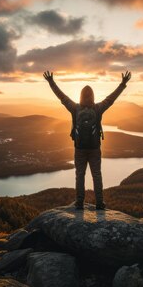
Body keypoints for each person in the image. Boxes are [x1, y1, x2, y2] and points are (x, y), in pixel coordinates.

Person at [43, 70, 131, 210]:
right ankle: (100, 204)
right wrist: (123, 83)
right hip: (95, 148)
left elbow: (62, 97)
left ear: (80, 96)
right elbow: (111, 99)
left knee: (80, 175)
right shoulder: (98, 108)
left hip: (80, 148)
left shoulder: (75, 108)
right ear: (93, 96)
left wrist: (51, 82)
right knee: (97, 175)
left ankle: (79, 203)